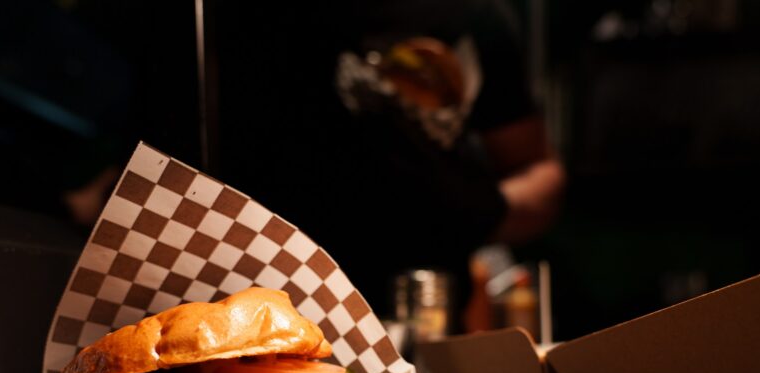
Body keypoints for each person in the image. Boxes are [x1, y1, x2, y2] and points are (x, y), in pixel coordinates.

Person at [219, 0, 564, 325]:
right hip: (275, 304)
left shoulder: (476, 15)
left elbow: (538, 171)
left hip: (431, 321)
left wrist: (482, 207)